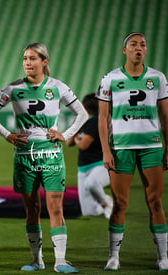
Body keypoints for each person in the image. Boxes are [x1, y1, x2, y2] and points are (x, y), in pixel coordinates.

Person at [0, 43, 88, 273]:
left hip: (51, 155)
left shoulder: (57, 87)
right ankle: (37, 260)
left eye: (32, 58)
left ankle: (61, 261)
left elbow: (82, 114)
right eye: (24, 58)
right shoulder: (13, 88)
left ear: (44, 61)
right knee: (31, 208)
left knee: (55, 207)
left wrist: (64, 135)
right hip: (24, 156)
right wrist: (7, 135)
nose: (27, 63)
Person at [97, 32, 168, 271]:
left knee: (155, 202)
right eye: (134, 44)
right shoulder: (110, 79)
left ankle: (163, 256)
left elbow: (166, 116)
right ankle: (114, 256)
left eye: (143, 45)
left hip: (151, 147)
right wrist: (106, 150)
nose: (139, 48)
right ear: (124, 50)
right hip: (121, 147)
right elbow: (103, 117)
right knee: (120, 203)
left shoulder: (157, 78)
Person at [66, 93, 112, 219]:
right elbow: (69, 142)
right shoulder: (85, 122)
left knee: (91, 184)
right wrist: (77, 130)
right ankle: (105, 199)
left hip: (100, 165)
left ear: (85, 107)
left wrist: (77, 136)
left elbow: (83, 145)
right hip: (83, 168)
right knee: (89, 212)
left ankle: (106, 204)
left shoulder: (95, 121)